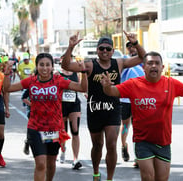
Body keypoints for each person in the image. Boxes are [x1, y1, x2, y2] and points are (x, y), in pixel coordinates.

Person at [100, 51, 183, 181]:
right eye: (150, 63)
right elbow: (113, 91)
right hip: (143, 141)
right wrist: (106, 87)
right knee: (148, 177)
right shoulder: (133, 84)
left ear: (162, 67)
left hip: (163, 142)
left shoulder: (170, 83)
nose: (153, 66)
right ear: (143, 67)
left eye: (157, 63)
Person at [62, 31, 146, 181]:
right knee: (97, 145)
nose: (105, 51)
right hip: (95, 110)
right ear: (97, 50)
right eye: (102, 48)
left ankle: (110, 178)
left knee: (112, 144)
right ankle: (96, 172)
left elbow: (142, 58)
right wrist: (70, 47)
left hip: (113, 109)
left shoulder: (118, 63)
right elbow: (66, 65)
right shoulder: (89, 65)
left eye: (108, 49)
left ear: (113, 51)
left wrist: (136, 43)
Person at [3, 53, 87, 181]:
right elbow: (7, 88)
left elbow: (82, 88)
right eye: (41, 65)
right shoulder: (31, 81)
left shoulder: (59, 81)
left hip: (55, 129)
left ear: (53, 67)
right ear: (37, 66)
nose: (44, 68)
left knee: (51, 163)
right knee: (41, 164)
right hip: (35, 128)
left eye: (48, 65)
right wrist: (7, 73)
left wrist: (83, 72)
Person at [120, 41, 145, 168]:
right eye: (129, 47)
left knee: (138, 128)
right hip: (124, 100)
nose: (131, 48)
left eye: (133, 46)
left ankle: (138, 156)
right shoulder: (124, 61)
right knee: (125, 126)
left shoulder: (143, 61)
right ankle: (124, 145)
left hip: (138, 100)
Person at [58, 54, 83, 170]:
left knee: (75, 131)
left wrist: (86, 93)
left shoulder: (75, 74)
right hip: (62, 105)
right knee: (63, 132)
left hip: (74, 104)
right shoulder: (58, 75)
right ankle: (62, 150)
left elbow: (80, 86)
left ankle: (75, 159)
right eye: (66, 60)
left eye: (70, 59)